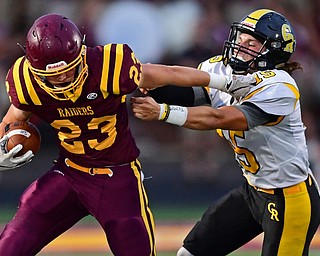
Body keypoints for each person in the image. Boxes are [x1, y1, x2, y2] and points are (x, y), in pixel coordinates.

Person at [0, 13, 242, 256]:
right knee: (10, 245)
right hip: (68, 172)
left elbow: (168, 73)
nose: (62, 77)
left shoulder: (108, 66)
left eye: (69, 69)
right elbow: (13, 120)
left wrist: (222, 82)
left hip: (116, 178)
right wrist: (2, 149)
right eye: (51, 74)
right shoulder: (26, 80)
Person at [131, 9, 320, 256]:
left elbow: (218, 118)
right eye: (240, 39)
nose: (241, 47)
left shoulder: (280, 88)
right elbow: (191, 94)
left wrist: (162, 112)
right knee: (190, 253)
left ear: (271, 52)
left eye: (251, 43)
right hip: (253, 191)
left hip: (290, 200)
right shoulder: (223, 68)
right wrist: (154, 88)